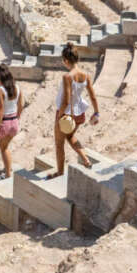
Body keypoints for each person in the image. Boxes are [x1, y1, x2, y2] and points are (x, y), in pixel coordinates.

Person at [49, 42, 99, 179]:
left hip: (66, 114)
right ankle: (85, 159)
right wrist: (96, 112)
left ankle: (59, 172)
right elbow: (93, 96)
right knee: (70, 136)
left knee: (59, 144)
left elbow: (66, 99)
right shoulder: (86, 76)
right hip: (80, 114)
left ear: (66, 61)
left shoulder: (67, 77)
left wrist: (59, 116)